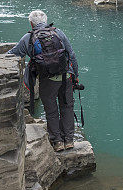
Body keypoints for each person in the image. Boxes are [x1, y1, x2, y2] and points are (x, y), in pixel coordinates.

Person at [9, 10, 80, 152]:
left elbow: (13, 54)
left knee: (51, 110)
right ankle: (69, 140)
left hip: (47, 79)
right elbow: (71, 54)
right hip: (66, 76)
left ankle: (58, 142)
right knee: (67, 107)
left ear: (31, 23)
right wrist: (76, 76)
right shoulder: (58, 33)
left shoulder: (28, 38)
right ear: (46, 21)